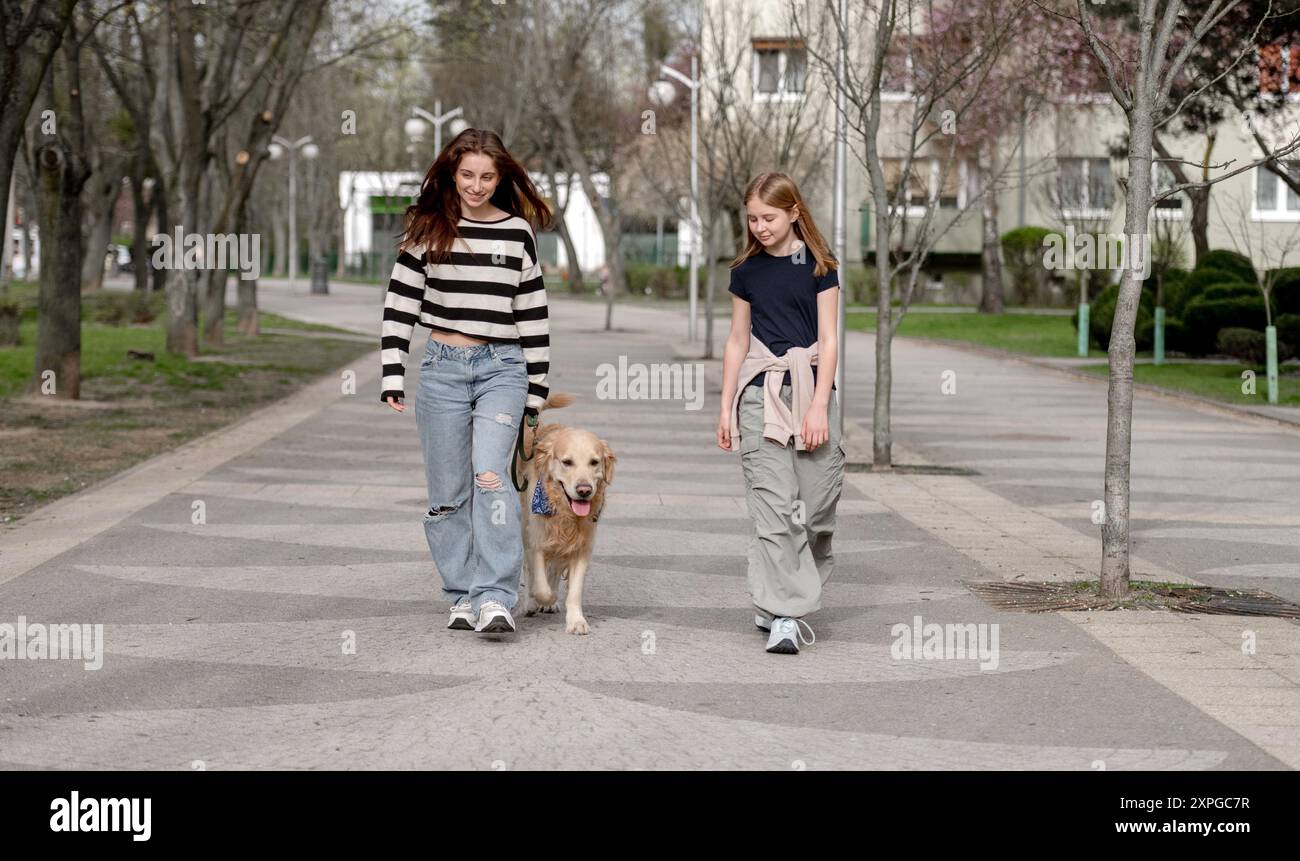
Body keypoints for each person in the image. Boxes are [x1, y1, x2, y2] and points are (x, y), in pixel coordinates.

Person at [381, 128, 551, 636]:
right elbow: (400, 303)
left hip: (503, 367)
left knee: (490, 477)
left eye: (486, 177)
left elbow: (533, 314)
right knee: (448, 491)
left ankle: (496, 595)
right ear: (452, 174)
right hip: (442, 369)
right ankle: (460, 593)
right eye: (467, 175)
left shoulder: (518, 232)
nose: (476, 186)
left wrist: (536, 394)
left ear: (500, 178)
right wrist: (393, 370)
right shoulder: (427, 227)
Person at [715, 171, 844, 655]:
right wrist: (725, 407)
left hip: (810, 392)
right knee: (774, 511)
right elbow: (737, 340)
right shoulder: (745, 273)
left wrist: (817, 406)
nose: (759, 227)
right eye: (752, 218)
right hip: (759, 395)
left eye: (768, 217)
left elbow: (829, 340)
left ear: (793, 212)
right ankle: (786, 616)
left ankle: (774, 599)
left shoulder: (820, 267)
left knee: (814, 512)